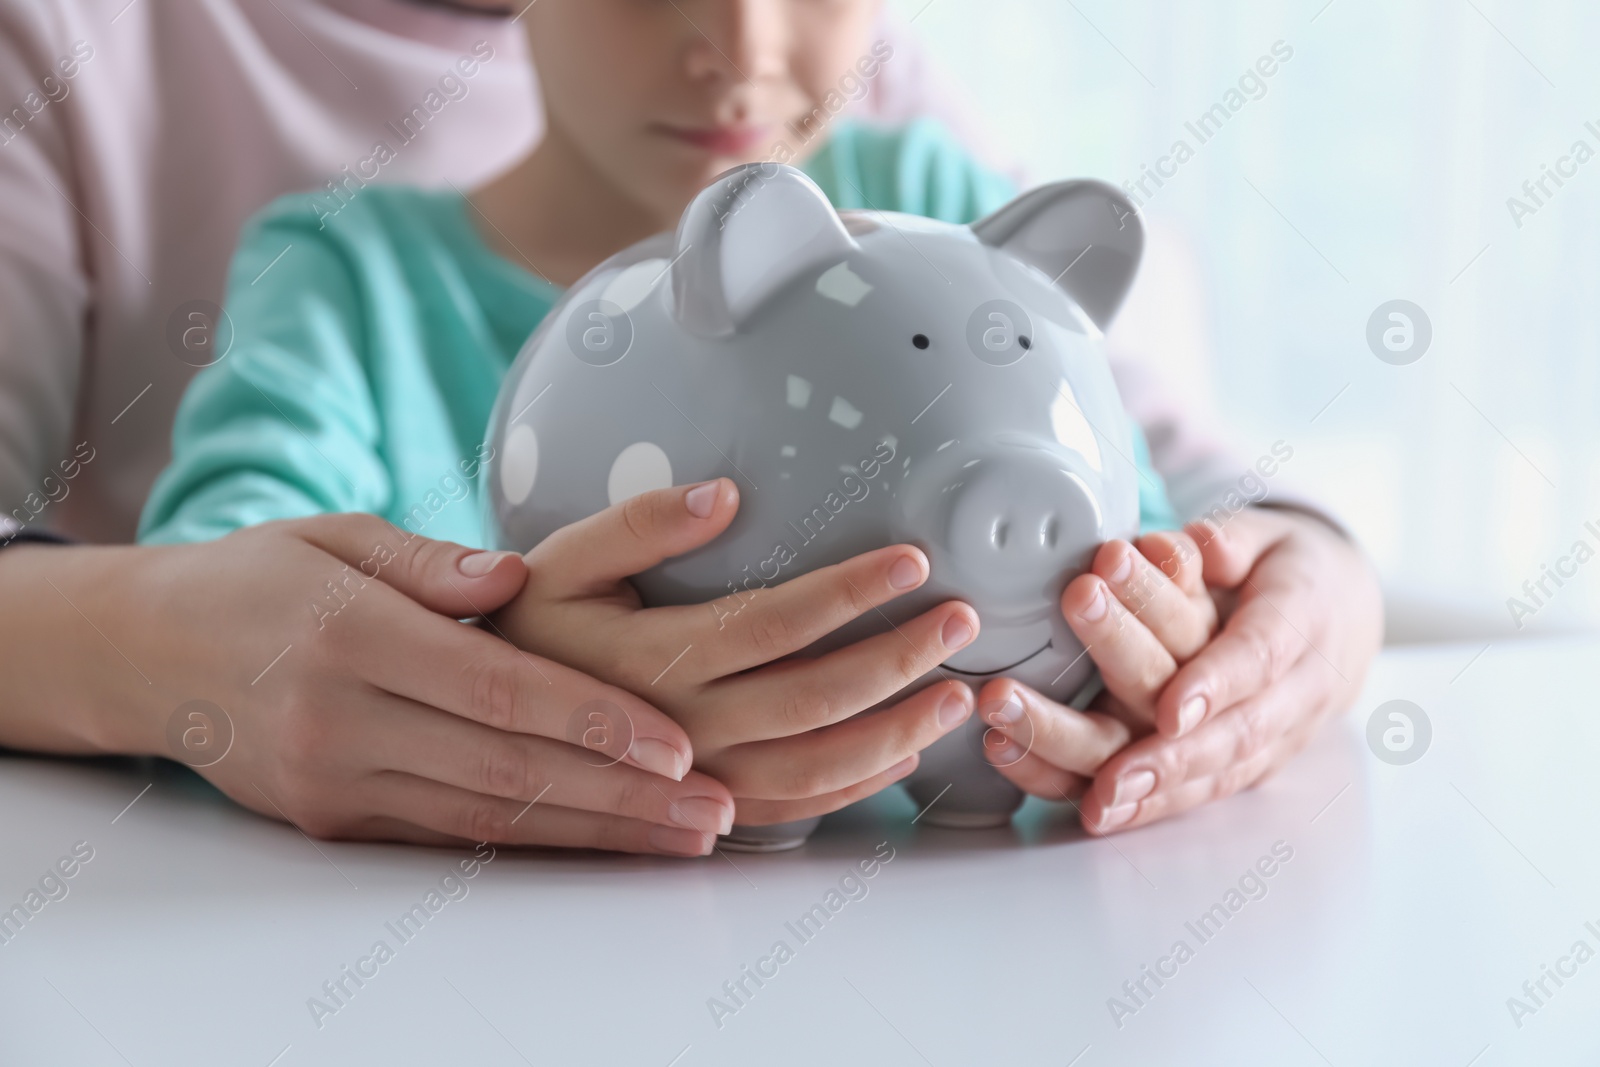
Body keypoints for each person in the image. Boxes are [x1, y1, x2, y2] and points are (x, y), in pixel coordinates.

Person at [0, 0, 1381, 849]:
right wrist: (494, 678)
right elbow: (230, 586)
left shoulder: (931, 182)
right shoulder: (344, 275)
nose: (743, 49)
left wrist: (1272, 597)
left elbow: (1165, 492)